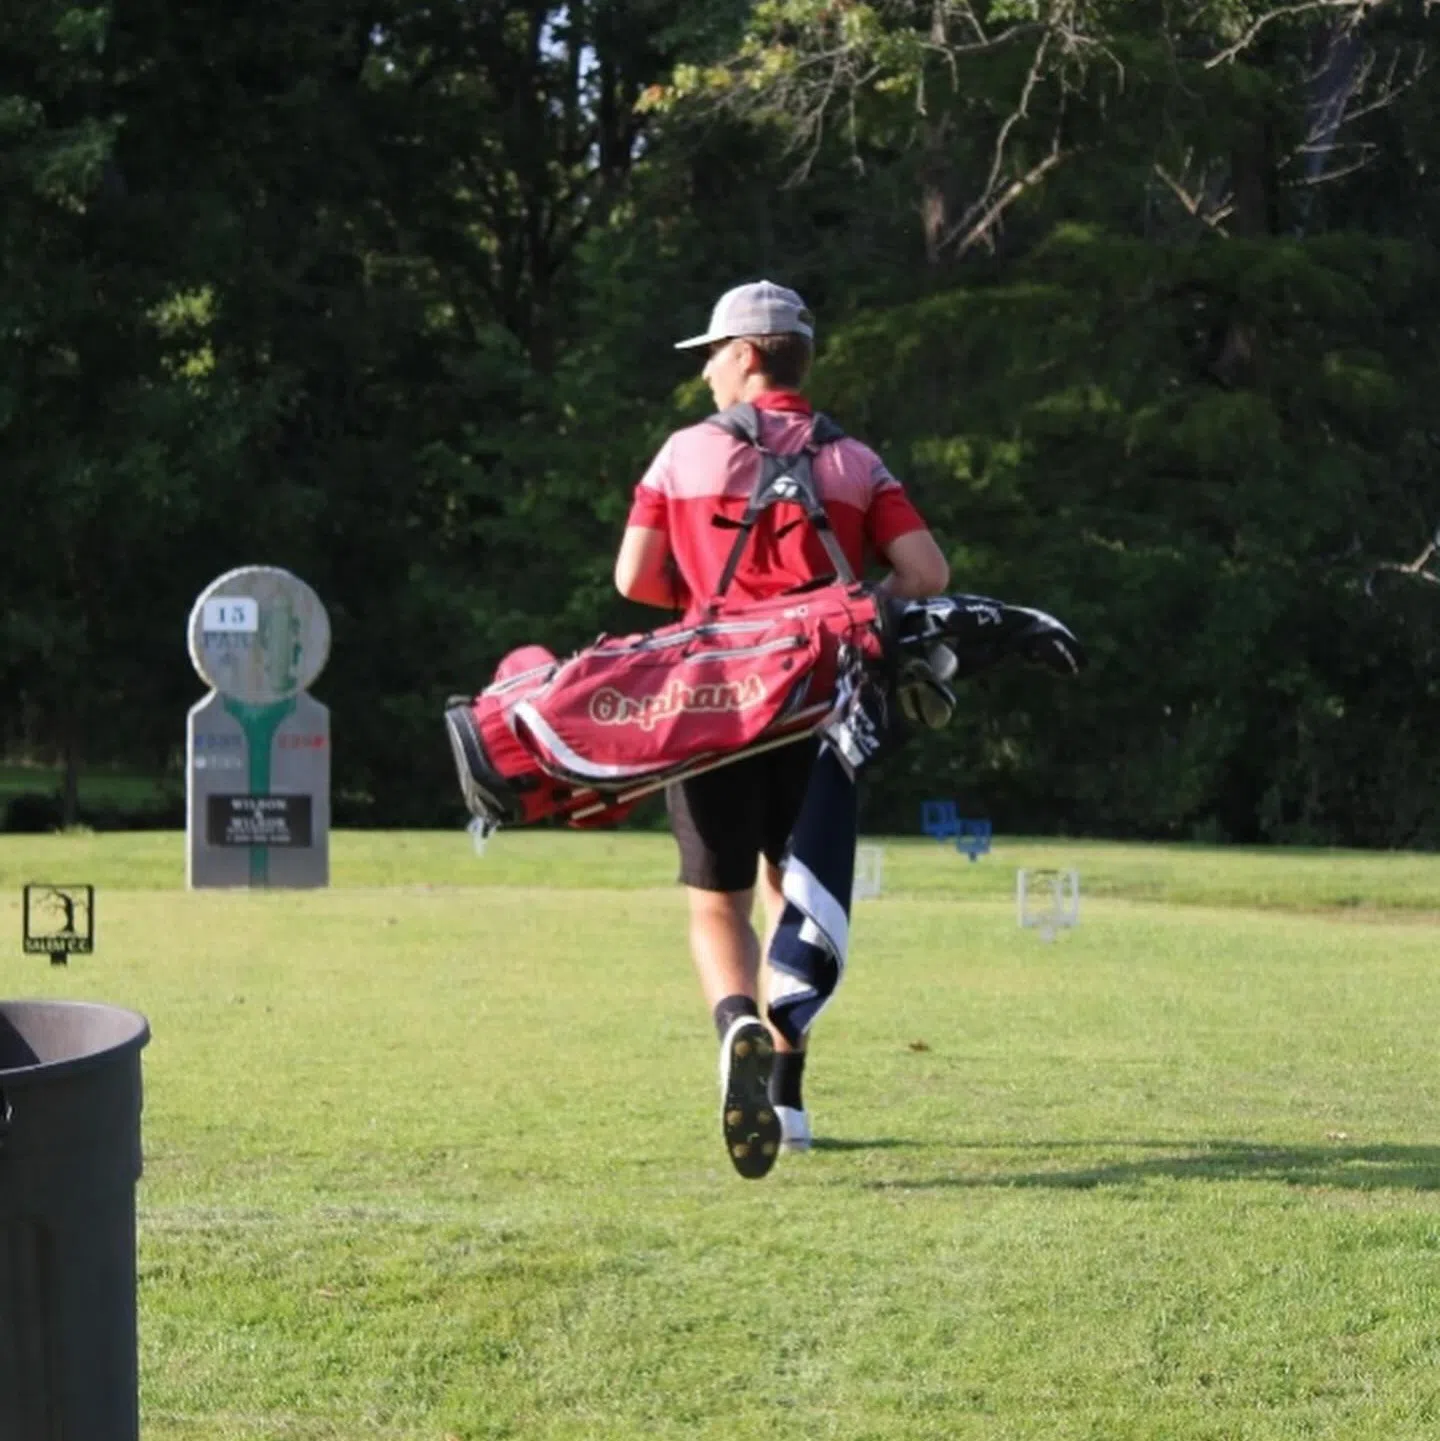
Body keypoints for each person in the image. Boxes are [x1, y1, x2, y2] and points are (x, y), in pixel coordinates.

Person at [614, 279, 950, 1179]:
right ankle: (789, 1100)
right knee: (791, 895)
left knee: (715, 900)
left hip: (713, 706)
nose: (706, 374)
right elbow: (926, 571)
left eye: (712, 356)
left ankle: (736, 1027)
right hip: (817, 708)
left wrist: (711, 599)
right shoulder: (857, 461)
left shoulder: (683, 453)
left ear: (746, 355)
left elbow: (633, 579)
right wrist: (853, 607)